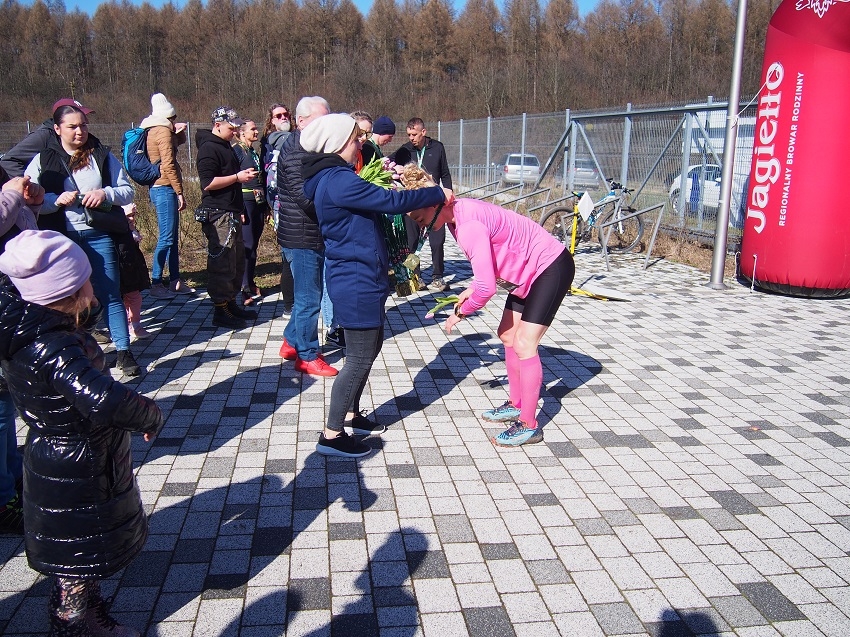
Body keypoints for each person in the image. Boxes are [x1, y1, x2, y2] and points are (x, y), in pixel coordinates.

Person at [0, 229, 164, 637]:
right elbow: (103, 398)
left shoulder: (31, 331)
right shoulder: (54, 346)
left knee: (81, 553)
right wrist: (148, 415)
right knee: (76, 560)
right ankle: (72, 625)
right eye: (88, 277)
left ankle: (86, 612)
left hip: (59, 456)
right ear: (71, 290)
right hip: (76, 465)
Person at [301, 114, 451, 458]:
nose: (360, 143)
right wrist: (434, 191)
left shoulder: (334, 178)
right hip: (356, 280)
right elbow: (392, 202)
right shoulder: (338, 180)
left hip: (362, 275)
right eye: (355, 138)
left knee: (370, 348)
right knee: (358, 358)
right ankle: (331, 435)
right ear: (338, 143)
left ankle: (350, 415)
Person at [404, 165, 575, 447]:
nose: (421, 226)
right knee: (507, 335)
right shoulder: (456, 214)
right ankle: (517, 404)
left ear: (435, 205)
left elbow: (487, 288)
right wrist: (471, 289)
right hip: (528, 272)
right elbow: (490, 263)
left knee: (525, 343)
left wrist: (462, 311)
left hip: (550, 267)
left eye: (421, 219)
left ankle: (529, 425)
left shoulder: (467, 226)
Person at [24, 101, 142, 376]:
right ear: (57, 129)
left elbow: (127, 190)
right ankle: (74, 355)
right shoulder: (43, 159)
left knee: (110, 292)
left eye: (84, 126)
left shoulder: (101, 154)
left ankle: (124, 352)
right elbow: (28, 199)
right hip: (59, 239)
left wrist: (105, 194)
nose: (80, 131)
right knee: (65, 299)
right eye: (73, 127)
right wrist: (54, 200)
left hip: (98, 233)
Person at [275, 96, 338, 377]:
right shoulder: (296, 151)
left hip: (307, 233)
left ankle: (292, 341)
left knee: (309, 294)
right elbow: (305, 198)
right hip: (301, 236)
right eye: (320, 120)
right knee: (309, 299)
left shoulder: (308, 146)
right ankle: (307, 355)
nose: (326, 125)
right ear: (300, 121)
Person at [0, 173, 41, 535]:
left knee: (5, 406)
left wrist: (33, 203)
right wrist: (11, 197)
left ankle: (13, 480)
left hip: (10, 304)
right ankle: (3, 502)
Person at [195, 106, 258, 330]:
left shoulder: (226, 146)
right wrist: (237, 177)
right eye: (231, 128)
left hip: (232, 211)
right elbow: (208, 183)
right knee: (222, 263)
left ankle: (231, 303)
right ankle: (220, 309)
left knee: (236, 261)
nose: (235, 132)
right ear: (217, 125)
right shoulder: (209, 149)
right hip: (218, 213)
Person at [139, 93, 194, 299]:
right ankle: (156, 283)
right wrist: (179, 191)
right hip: (164, 187)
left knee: (171, 238)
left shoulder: (155, 129)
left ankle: (174, 281)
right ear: (167, 117)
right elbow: (168, 164)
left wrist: (179, 133)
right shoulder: (162, 131)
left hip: (161, 187)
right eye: (173, 118)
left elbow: (174, 146)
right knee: (166, 237)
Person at [392, 117, 453, 292]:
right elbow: (387, 163)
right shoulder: (404, 150)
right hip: (413, 204)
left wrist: (448, 194)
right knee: (412, 243)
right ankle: (415, 276)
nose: (411, 138)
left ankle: (437, 276)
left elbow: (445, 173)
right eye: (409, 135)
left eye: (414, 134)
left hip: (435, 204)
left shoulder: (437, 147)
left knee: (437, 241)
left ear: (423, 132)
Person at [0, 99, 92, 179]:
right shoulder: (44, 136)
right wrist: (29, 184)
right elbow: (8, 161)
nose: (86, 120)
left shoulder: (86, 140)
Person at [260, 103, 295, 315]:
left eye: (286, 114)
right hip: (283, 207)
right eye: (278, 115)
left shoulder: (292, 138)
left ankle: (294, 302)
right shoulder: (272, 143)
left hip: (288, 206)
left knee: (292, 256)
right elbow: (267, 180)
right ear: (271, 120)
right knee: (289, 257)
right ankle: (290, 305)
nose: (283, 118)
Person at [232, 119, 268, 307]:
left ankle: (250, 281)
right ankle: (243, 287)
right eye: (252, 129)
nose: (256, 131)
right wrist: (239, 208)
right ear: (241, 132)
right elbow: (234, 181)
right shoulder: (237, 151)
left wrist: (265, 206)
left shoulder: (252, 151)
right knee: (246, 245)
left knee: (254, 244)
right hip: (245, 203)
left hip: (258, 202)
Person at [118, 203, 152, 341]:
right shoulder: (121, 233)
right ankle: (134, 325)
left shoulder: (130, 230)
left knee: (130, 298)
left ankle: (130, 323)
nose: (132, 219)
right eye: (128, 216)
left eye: (133, 215)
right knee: (134, 298)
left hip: (132, 268)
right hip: (125, 270)